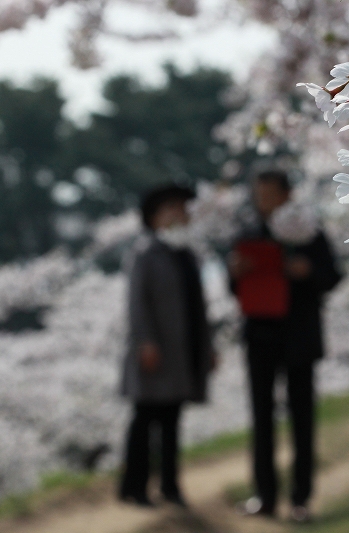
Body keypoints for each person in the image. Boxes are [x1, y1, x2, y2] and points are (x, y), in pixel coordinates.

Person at [229, 170, 341, 522]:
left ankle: (300, 499)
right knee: (261, 420)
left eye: (270, 195)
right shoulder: (246, 236)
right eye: (258, 195)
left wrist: (308, 271)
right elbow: (234, 289)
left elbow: (333, 276)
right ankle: (265, 496)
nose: (263, 202)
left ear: (287, 195)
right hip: (260, 336)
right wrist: (237, 272)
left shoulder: (309, 232)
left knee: (302, 419)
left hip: (299, 336)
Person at [118, 184, 213, 508]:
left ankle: (170, 486)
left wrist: (208, 345)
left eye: (182, 207)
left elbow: (200, 306)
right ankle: (135, 487)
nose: (179, 213)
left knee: (172, 420)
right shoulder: (145, 253)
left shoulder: (186, 254)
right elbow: (136, 303)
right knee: (145, 419)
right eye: (171, 208)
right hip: (154, 351)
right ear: (154, 216)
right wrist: (145, 341)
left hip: (182, 351)